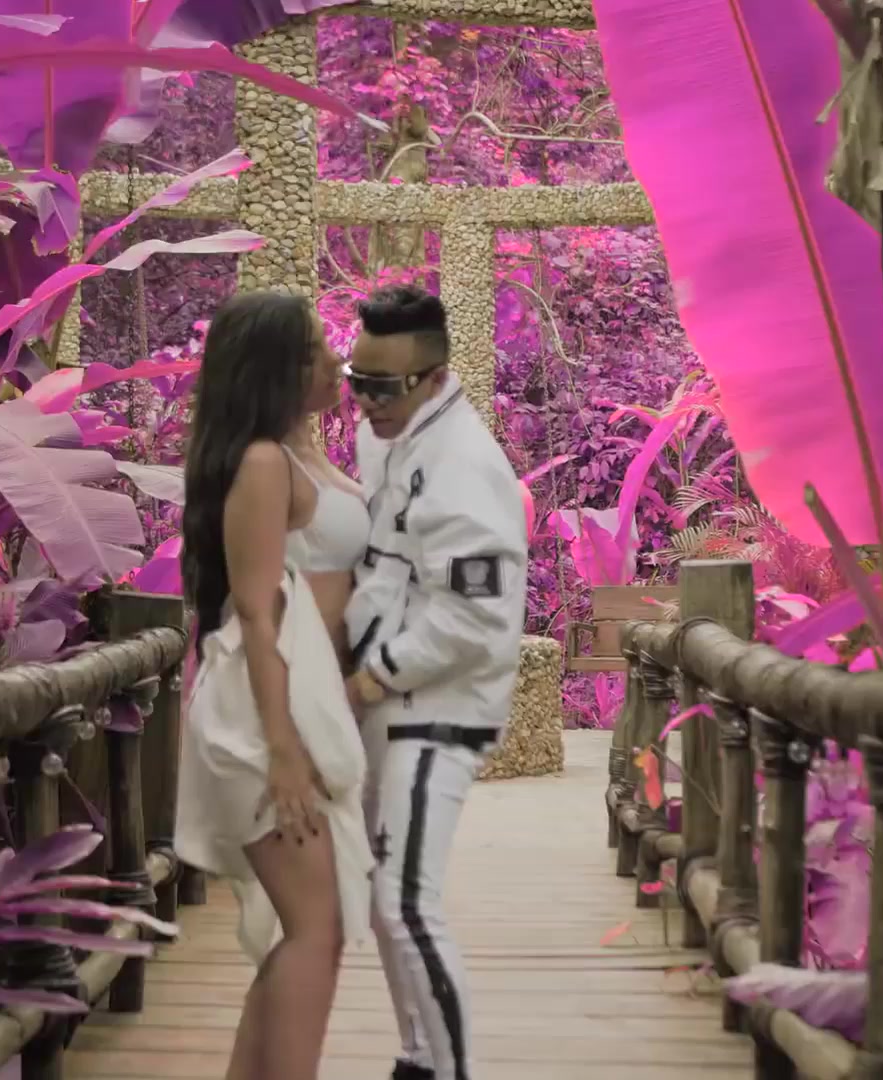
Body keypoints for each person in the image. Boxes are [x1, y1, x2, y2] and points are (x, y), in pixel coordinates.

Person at [172, 290, 376, 1080]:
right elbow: (255, 611)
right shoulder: (263, 463)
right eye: (315, 347)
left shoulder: (309, 455)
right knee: (315, 927)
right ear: (274, 369)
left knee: (310, 929)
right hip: (265, 712)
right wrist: (284, 750)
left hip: (305, 702)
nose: (334, 358)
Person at [343, 285, 528, 1080]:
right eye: (356, 381)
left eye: (383, 387)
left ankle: (449, 1069)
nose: (365, 402)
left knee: (406, 903)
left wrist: (371, 679)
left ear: (434, 377)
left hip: (437, 707)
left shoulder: (463, 465)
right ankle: (419, 1056)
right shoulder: (387, 437)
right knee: (385, 900)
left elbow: (476, 619)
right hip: (395, 704)